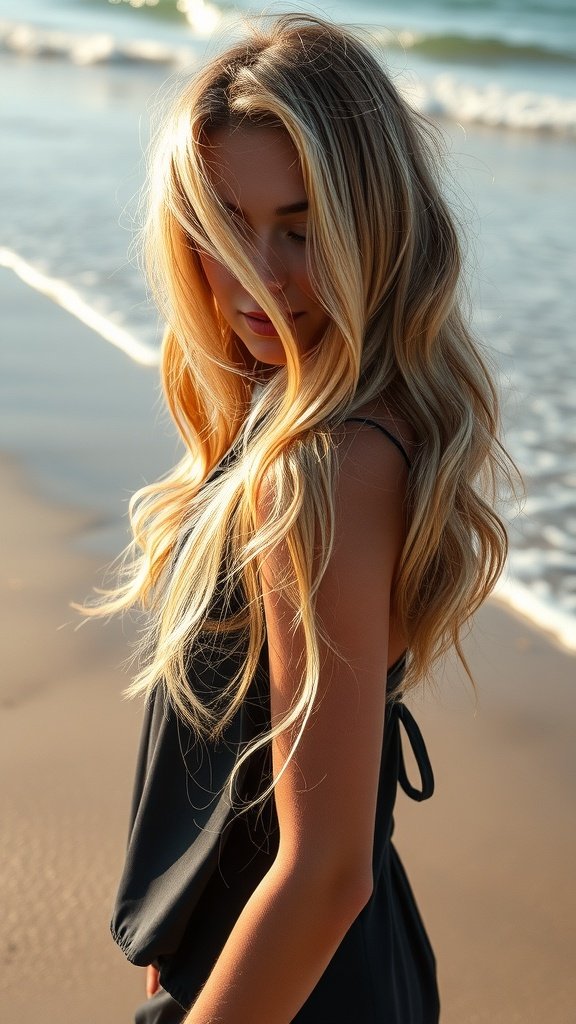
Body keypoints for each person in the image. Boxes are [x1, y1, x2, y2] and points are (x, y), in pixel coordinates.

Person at [87, 13, 513, 1023]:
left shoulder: (325, 466)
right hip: (301, 960)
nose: (258, 276)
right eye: (226, 223)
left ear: (376, 225)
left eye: (300, 226)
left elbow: (324, 872)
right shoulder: (335, 416)